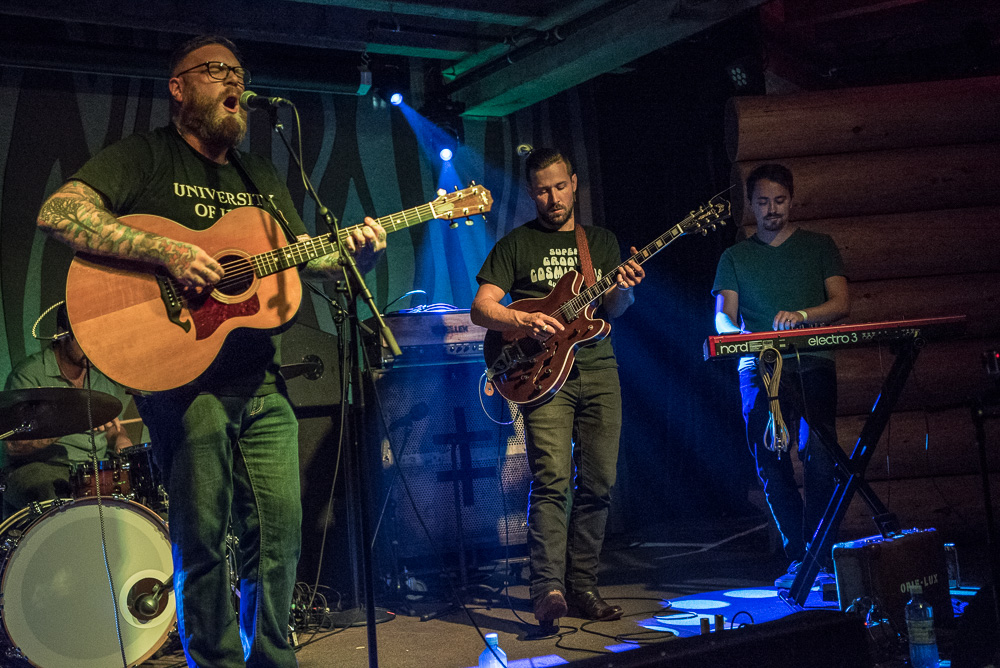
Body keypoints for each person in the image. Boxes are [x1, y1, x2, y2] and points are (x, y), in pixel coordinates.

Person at [36, 35, 385, 667]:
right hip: (182, 379)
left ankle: (274, 661)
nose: (236, 83)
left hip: (261, 379)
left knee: (280, 535)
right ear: (179, 87)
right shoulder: (146, 156)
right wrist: (166, 251)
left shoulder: (261, 175)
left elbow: (302, 263)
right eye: (218, 70)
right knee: (201, 540)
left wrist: (348, 254)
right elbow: (61, 211)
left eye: (240, 74)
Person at [471, 148, 644, 626]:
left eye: (560, 186)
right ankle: (547, 587)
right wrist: (522, 319)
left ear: (574, 182)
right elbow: (481, 308)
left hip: (599, 367)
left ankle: (583, 584)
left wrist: (624, 288)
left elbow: (616, 309)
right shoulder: (516, 244)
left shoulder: (601, 242)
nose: (553, 198)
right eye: (542, 190)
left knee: (599, 482)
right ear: (532, 193)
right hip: (543, 375)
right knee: (552, 480)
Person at [711, 163, 850, 589]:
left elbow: (841, 302)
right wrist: (743, 336)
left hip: (812, 362)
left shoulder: (819, 245)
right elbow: (722, 319)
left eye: (780, 201)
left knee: (821, 458)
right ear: (750, 205)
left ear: (791, 200)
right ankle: (801, 556)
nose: (772, 209)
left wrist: (804, 316)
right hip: (759, 367)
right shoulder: (735, 256)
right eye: (763, 202)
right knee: (770, 461)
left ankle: (818, 556)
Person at [2, 304, 133, 517]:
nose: (93, 348)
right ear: (61, 334)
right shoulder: (29, 375)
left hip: (94, 469)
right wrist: (73, 418)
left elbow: (112, 427)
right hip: (41, 467)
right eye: (85, 340)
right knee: (53, 490)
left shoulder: (100, 378)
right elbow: (14, 445)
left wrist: (120, 438)